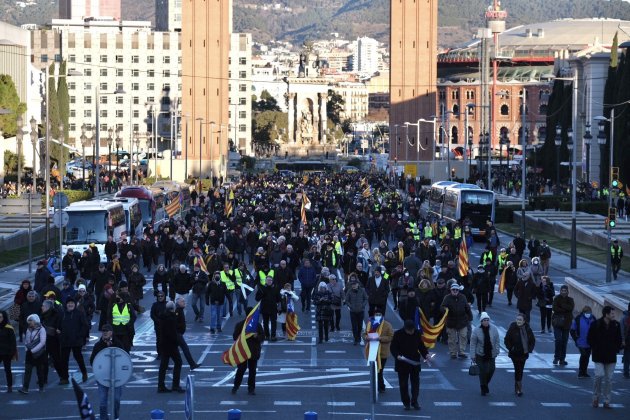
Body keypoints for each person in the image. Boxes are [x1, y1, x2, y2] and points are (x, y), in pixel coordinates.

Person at [389, 319, 430, 410]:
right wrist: (397, 356)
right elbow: (393, 348)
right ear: (405, 329)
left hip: (414, 362)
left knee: (415, 383)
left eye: (412, 330)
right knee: (403, 384)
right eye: (409, 331)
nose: (411, 332)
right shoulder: (398, 334)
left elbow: (421, 346)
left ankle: (414, 401)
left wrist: (426, 354)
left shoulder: (417, 333)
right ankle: (406, 402)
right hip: (402, 362)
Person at [587, 305, 623, 408]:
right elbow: (590, 338)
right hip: (598, 355)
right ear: (606, 314)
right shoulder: (596, 324)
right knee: (599, 375)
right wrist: (595, 347)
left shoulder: (616, 325)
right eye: (612, 313)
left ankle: (607, 400)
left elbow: (619, 339)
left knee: (609, 379)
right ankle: (595, 397)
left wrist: (616, 348)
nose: (614, 315)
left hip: (611, 356)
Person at [90, 324, 124, 420]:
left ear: (111, 332)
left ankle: (116, 417)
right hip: (102, 377)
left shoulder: (118, 343)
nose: (105, 332)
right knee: (102, 401)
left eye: (107, 331)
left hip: (116, 377)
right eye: (103, 331)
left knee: (116, 399)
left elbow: (124, 357)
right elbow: (92, 360)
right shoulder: (98, 345)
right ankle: (104, 419)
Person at [231, 306, 265, 395]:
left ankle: (240, 387)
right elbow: (235, 337)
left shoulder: (252, 325)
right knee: (246, 370)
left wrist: (257, 336)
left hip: (248, 351)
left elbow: (262, 337)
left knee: (246, 370)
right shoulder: (254, 325)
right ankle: (245, 387)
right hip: (248, 351)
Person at [58, 297, 89, 384]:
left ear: (75, 304)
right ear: (66, 304)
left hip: (76, 340)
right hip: (65, 340)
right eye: (69, 303)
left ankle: (84, 373)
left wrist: (80, 335)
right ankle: (65, 378)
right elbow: (58, 325)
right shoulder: (62, 314)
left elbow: (85, 325)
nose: (70, 304)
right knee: (64, 360)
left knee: (79, 358)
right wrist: (60, 334)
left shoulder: (79, 313)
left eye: (72, 303)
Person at [363, 307, 393, 393]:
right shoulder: (369, 324)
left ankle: (381, 386)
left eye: (379, 315)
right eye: (376, 315)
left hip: (382, 351)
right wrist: (366, 337)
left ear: (382, 315)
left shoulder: (387, 325)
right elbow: (364, 333)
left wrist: (380, 338)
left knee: (380, 369)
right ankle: (379, 386)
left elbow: (390, 337)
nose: (378, 316)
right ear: (374, 315)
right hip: (371, 350)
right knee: (374, 370)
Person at [504, 313, 535, 396]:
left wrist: (529, 349)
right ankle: (519, 388)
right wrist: (511, 348)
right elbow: (506, 340)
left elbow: (532, 340)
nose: (518, 321)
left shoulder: (528, 329)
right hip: (514, 354)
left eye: (520, 320)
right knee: (518, 369)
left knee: (520, 369)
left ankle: (517, 386)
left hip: (524, 354)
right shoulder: (512, 328)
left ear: (524, 321)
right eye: (517, 319)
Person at [157, 301, 185, 393]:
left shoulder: (162, 317)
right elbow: (173, 333)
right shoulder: (171, 318)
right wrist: (176, 342)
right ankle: (175, 385)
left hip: (163, 343)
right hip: (171, 345)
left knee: (163, 365)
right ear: (173, 308)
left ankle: (161, 385)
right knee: (178, 362)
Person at [470, 312, 499, 396]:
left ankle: (485, 384)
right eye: (484, 320)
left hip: (491, 353)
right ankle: (483, 387)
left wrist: (497, 350)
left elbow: (497, 340)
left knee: (491, 369)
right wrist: (472, 355)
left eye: (487, 320)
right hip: (480, 354)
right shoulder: (476, 330)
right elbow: (473, 343)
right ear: (481, 321)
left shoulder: (494, 329)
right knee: (482, 371)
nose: (486, 321)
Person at [441, 283, 473, 359]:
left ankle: (461, 352)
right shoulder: (447, 297)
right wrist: (445, 309)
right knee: (452, 338)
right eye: (453, 289)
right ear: (451, 290)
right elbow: (442, 307)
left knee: (463, 336)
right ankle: (453, 353)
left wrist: (470, 317)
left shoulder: (463, 297)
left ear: (458, 290)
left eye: (456, 290)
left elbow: (467, 307)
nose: (455, 291)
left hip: (462, 320)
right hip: (451, 321)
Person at [19, 314, 47, 394]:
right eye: (29, 321)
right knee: (27, 370)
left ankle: (41, 387)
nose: (29, 323)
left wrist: (33, 350)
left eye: (31, 321)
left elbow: (42, 342)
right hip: (29, 353)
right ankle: (25, 388)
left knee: (40, 371)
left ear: (35, 320)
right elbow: (27, 341)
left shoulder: (42, 329)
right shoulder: (28, 329)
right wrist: (27, 348)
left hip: (39, 353)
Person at [175, 297, 201, 370]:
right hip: (177, 334)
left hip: (178, 334)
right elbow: (175, 323)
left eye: (184, 301)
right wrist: (180, 328)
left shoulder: (180, 310)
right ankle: (192, 364)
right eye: (182, 301)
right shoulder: (177, 311)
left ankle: (165, 364)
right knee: (185, 348)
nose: (184, 302)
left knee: (171, 350)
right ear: (178, 303)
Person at [551, 285, 574, 366]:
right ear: (560, 291)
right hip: (557, 323)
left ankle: (562, 359)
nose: (564, 292)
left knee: (564, 341)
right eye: (562, 290)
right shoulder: (556, 298)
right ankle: (556, 357)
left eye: (565, 291)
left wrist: (561, 305)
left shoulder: (570, 300)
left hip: (567, 324)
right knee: (558, 340)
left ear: (567, 292)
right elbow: (554, 308)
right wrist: (565, 309)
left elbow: (571, 308)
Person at [570, 305, 595, 378]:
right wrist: (576, 339)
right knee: (583, 355)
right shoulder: (578, 319)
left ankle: (585, 372)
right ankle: (581, 371)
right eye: (586, 312)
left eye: (589, 312)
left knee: (587, 357)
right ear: (583, 312)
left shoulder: (593, 319)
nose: (588, 313)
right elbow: (572, 330)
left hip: (590, 342)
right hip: (580, 341)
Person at [255, 276, 281, 341]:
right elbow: (257, 298)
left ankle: (273, 336)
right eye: (268, 280)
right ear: (266, 281)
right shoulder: (262, 288)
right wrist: (260, 293)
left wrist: (279, 306)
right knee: (265, 323)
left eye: (270, 280)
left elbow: (279, 299)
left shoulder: (276, 288)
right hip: (264, 308)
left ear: (272, 281)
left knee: (273, 322)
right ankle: (267, 335)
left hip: (273, 308)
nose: (269, 282)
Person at [345, 279, 368, 345]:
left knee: (360, 325)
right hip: (353, 311)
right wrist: (350, 306)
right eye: (352, 284)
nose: (353, 286)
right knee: (354, 326)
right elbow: (347, 300)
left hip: (361, 311)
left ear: (358, 284)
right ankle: (356, 338)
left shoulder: (362, 290)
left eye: (355, 284)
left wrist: (363, 305)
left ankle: (359, 336)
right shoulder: (349, 291)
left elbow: (366, 298)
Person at [0, 310, 17, 393]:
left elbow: (13, 342)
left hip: (6, 353)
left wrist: (12, 353)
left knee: (7, 370)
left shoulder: (9, 328)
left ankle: (9, 386)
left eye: (0, 317)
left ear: (4, 317)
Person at [622, 302, 630, 379]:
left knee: (627, 357)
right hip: (628, 340)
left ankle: (626, 372)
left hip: (627, 340)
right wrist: (623, 340)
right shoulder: (625, 318)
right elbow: (622, 330)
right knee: (627, 357)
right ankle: (626, 372)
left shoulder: (625, 317)